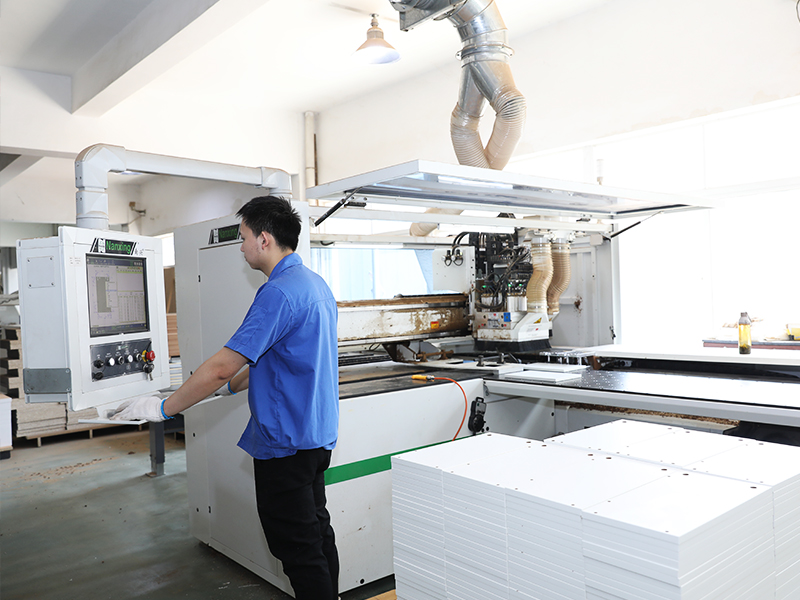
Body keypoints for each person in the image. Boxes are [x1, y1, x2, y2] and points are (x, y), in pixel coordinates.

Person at [112, 195, 340, 600]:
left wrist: (162, 408)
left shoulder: (277, 293)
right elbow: (279, 357)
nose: (241, 246)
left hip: (286, 444)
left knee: (298, 549)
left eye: (245, 237)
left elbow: (222, 364)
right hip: (315, 436)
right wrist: (229, 387)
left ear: (264, 239)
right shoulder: (314, 285)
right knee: (317, 533)